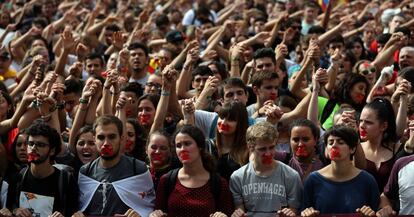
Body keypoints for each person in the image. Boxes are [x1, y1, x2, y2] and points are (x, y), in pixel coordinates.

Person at [75, 115, 155, 217]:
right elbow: (81, 208)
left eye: (112, 137)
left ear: (121, 139)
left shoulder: (138, 169)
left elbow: (149, 208)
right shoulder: (85, 172)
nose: (106, 143)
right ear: (95, 139)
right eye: (101, 137)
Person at [151, 125, 234, 217]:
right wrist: (155, 215)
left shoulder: (218, 183)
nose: (182, 149)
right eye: (178, 146)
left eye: (187, 144)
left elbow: (228, 213)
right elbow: (158, 211)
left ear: (200, 147)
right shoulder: (167, 180)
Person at [301, 125, 379, 216]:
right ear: (326, 149)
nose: (334, 145)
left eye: (341, 142)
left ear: (352, 149)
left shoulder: (367, 180)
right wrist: (307, 214)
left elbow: (376, 211)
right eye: (330, 143)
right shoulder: (313, 179)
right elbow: (304, 210)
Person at [6, 120, 78, 217]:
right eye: (31, 144)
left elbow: (74, 213)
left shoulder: (66, 180)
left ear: (52, 151)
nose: (34, 148)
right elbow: (9, 207)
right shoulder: (18, 177)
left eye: (40, 145)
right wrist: (15, 211)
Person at [230, 122, 302, 217]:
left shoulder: (291, 175)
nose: (268, 153)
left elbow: (294, 208)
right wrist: (238, 214)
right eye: (262, 149)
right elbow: (239, 208)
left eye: (272, 147)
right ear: (250, 147)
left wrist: (289, 213)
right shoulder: (238, 177)